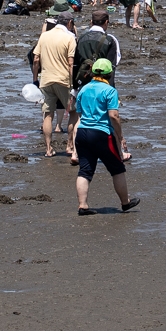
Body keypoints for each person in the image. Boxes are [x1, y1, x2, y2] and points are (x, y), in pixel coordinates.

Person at [71, 57, 138, 216]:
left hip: (82, 133)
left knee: (85, 171)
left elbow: (79, 114)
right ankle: (125, 203)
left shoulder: (84, 90)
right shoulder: (110, 91)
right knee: (117, 169)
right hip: (101, 134)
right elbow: (113, 116)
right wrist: (121, 137)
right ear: (110, 74)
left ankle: (83, 206)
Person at [29, 13, 77, 157]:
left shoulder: (44, 36)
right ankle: (69, 145)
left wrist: (35, 80)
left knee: (47, 115)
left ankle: (48, 149)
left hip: (46, 80)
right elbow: (71, 63)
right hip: (63, 80)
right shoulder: (70, 37)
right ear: (69, 23)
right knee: (73, 112)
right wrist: (73, 82)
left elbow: (36, 59)